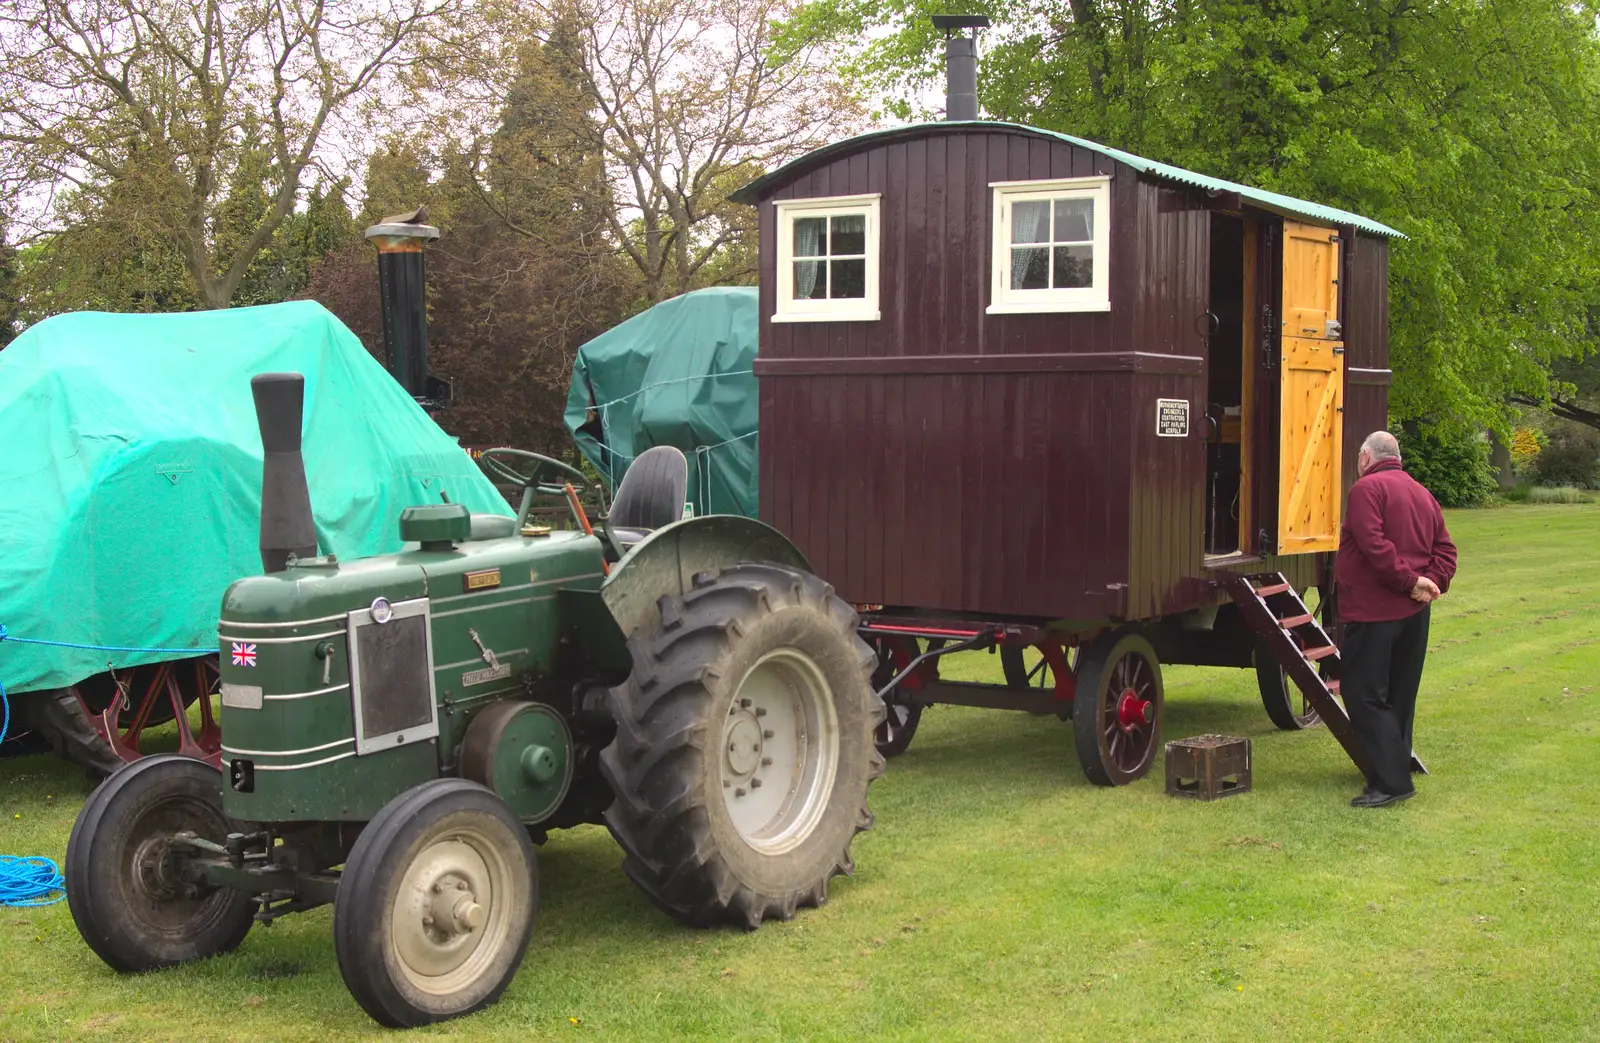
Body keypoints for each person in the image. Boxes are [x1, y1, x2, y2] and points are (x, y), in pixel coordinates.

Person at [1333, 430, 1457, 807]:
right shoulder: (1423, 493)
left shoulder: (1366, 491)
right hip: (1415, 614)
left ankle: (1390, 782)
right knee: (1401, 694)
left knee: (1363, 693)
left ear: (1366, 458)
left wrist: (1410, 581)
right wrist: (1430, 582)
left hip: (1374, 612)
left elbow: (1374, 545)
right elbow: (1446, 550)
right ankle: (1393, 765)